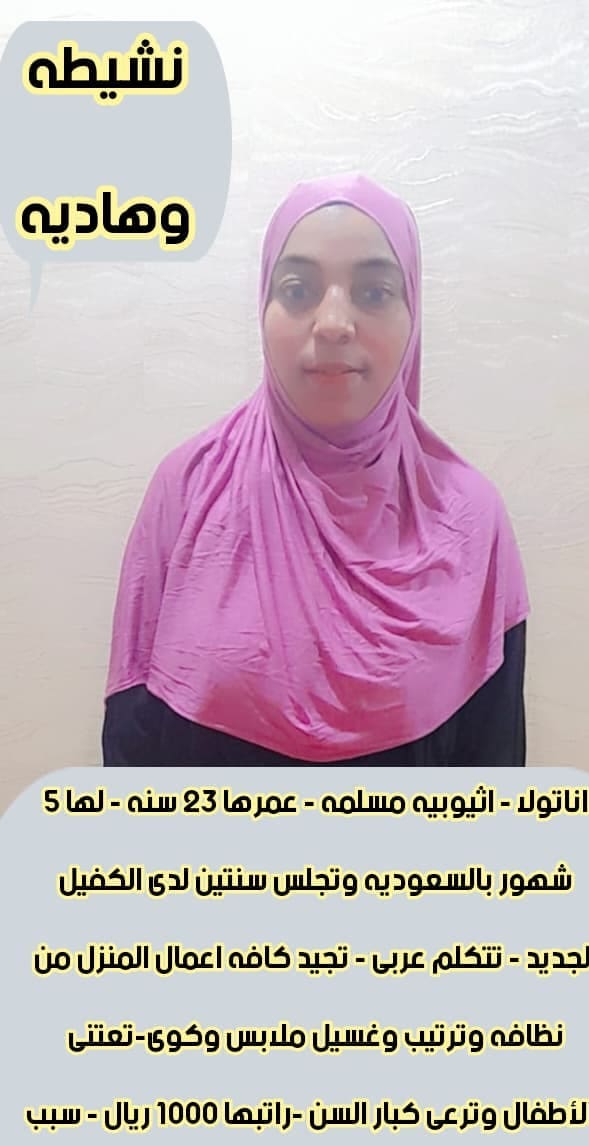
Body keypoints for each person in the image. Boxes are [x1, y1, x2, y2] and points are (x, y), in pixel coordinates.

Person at [102, 173, 529, 767]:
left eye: (374, 293)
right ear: (263, 306)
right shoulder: (188, 489)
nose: (333, 323)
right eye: (298, 289)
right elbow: (131, 750)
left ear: (413, 315)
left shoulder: (471, 520)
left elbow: (494, 774)